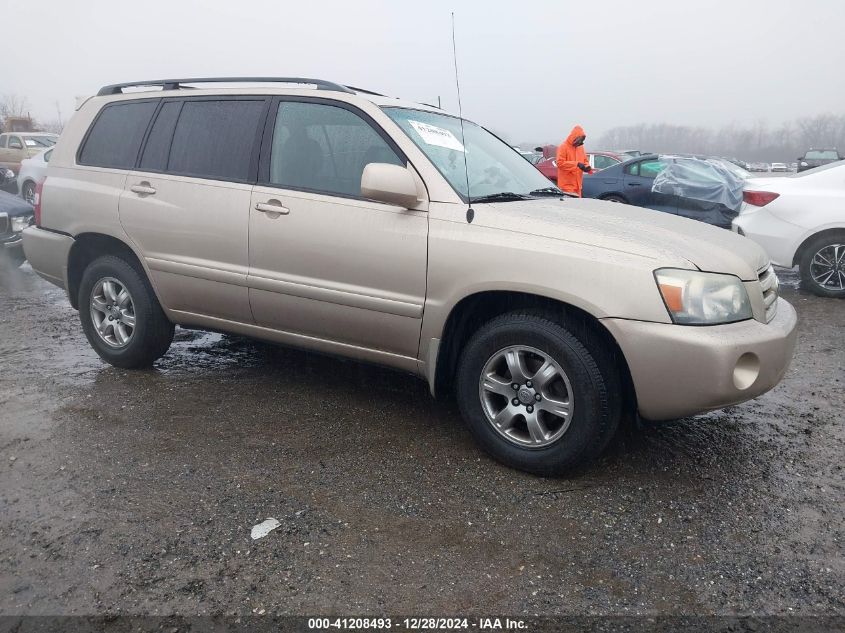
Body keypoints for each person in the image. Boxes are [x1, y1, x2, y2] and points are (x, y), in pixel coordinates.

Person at [556, 125, 592, 197]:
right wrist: (577, 164)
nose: (580, 142)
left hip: (578, 185)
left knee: (577, 207)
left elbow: (585, 160)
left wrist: (586, 167)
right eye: (579, 139)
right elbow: (560, 163)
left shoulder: (580, 147)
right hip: (567, 186)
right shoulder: (563, 147)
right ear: (574, 137)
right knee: (568, 206)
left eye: (582, 140)